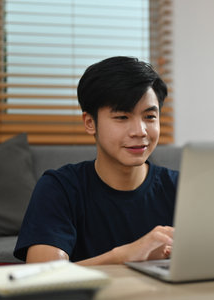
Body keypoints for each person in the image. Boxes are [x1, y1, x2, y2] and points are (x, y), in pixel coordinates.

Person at [14, 56, 178, 266]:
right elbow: (43, 276)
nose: (140, 131)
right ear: (90, 123)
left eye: (149, 117)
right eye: (122, 117)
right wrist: (124, 257)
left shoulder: (181, 187)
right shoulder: (59, 188)